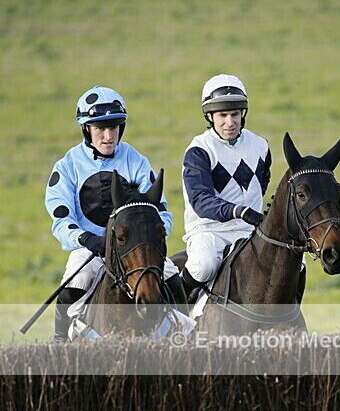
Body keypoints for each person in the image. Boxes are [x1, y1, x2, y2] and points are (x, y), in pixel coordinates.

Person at [45, 85, 184, 341]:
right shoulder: (67, 166)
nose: (108, 136)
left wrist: (149, 239)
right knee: (72, 287)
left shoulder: (136, 160)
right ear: (86, 129)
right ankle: (59, 342)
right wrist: (87, 239)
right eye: (100, 128)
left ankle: (187, 336)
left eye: (114, 127)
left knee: (174, 278)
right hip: (90, 249)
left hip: (134, 249)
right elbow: (61, 220)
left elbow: (161, 212)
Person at [180, 73, 272, 299]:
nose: (230, 123)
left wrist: (247, 213)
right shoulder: (199, 151)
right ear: (209, 116)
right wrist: (238, 211)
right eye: (223, 115)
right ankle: (175, 302)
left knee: (294, 264)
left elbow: (261, 184)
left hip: (249, 229)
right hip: (210, 230)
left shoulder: (260, 146)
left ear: (243, 114)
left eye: (235, 114)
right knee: (204, 266)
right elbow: (201, 200)